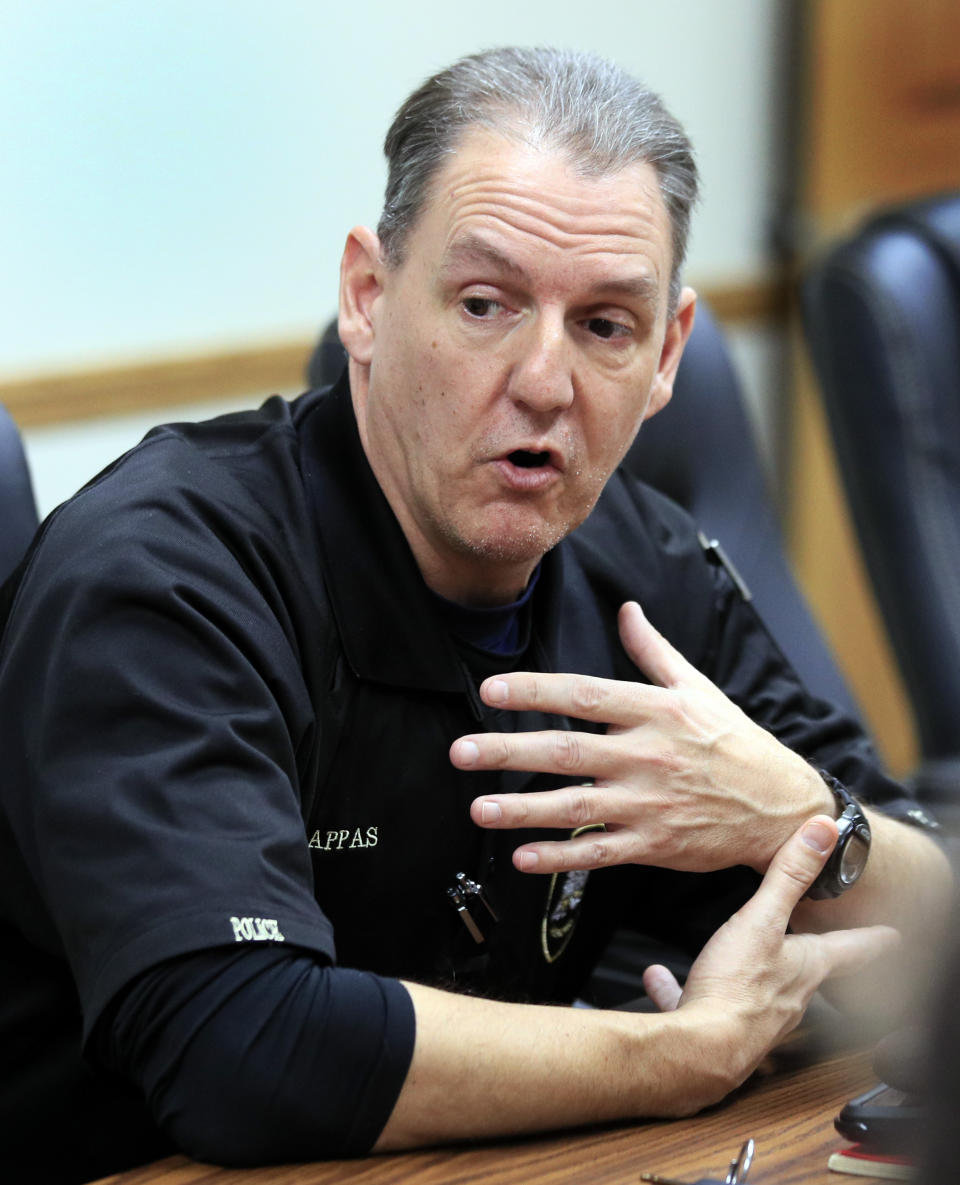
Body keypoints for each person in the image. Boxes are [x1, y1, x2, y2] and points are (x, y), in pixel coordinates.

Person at [0, 46, 951, 1184]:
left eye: (605, 325)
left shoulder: (637, 558)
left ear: (667, 357)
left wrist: (800, 818)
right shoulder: (165, 574)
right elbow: (238, 1045)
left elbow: (932, 920)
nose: (544, 381)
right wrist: (676, 1053)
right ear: (366, 295)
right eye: (486, 304)